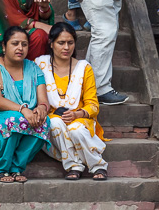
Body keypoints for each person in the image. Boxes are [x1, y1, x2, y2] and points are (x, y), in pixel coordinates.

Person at [0, 26, 50, 184]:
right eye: (15, 43)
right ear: (3, 46)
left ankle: (16, 167)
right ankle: (0, 168)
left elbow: (43, 99)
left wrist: (41, 109)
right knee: (15, 120)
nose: (20, 48)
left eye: (24, 44)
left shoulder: (34, 69)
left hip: (26, 118)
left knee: (45, 121)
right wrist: (24, 110)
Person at [34, 22, 108, 181]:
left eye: (70, 42)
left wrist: (77, 114)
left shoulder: (84, 68)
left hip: (79, 117)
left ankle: (98, 165)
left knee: (75, 129)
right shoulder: (40, 64)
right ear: (51, 43)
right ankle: (74, 166)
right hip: (53, 116)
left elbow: (93, 104)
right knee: (55, 124)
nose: (66, 47)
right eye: (61, 43)